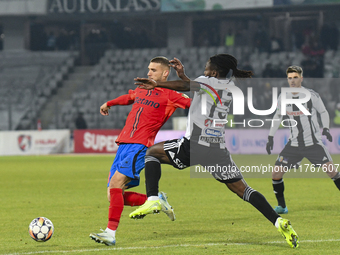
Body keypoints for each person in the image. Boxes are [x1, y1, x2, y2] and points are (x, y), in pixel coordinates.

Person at [130, 54, 299, 248]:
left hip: (194, 145)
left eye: (207, 67)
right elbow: (195, 87)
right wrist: (183, 74)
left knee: (152, 153)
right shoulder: (229, 87)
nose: (204, 69)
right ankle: (278, 222)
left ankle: (153, 199)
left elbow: (189, 87)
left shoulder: (206, 82)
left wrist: (157, 85)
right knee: (244, 190)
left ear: (214, 72)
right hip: (217, 149)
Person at [89, 56, 191, 246]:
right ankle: (156, 201)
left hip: (140, 145)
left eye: (153, 70)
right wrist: (109, 103)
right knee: (113, 193)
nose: (148, 73)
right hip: (123, 144)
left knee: (117, 183)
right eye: (148, 69)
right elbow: (129, 97)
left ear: (165, 73)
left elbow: (195, 105)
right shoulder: (143, 88)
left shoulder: (172, 95)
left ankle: (110, 233)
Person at [266, 65, 340, 215]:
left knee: (331, 171)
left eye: (295, 78)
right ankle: (282, 206)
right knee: (276, 174)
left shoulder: (311, 95)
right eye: (289, 78)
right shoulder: (283, 97)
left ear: (301, 78)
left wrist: (326, 128)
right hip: (293, 145)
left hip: (313, 143)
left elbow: (323, 111)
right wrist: (270, 137)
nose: (292, 81)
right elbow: (278, 116)